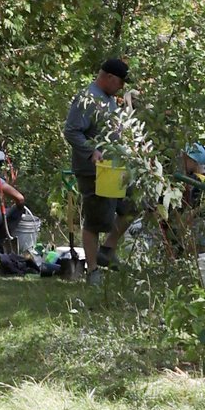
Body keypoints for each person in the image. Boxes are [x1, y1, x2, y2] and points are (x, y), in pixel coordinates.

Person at [63, 57, 135, 285]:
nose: (122, 86)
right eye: (121, 82)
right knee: (95, 220)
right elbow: (71, 131)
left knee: (132, 206)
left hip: (115, 169)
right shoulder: (87, 98)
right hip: (93, 171)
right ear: (109, 78)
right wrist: (91, 151)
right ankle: (92, 270)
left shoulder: (109, 99)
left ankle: (108, 249)